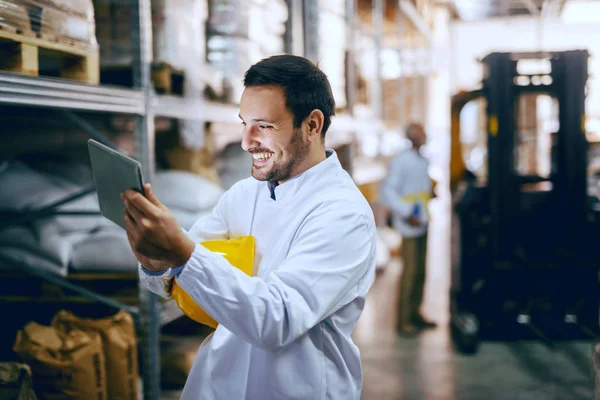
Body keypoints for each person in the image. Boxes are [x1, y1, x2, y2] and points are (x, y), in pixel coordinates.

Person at [121, 55, 377, 399]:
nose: (246, 141)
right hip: (218, 385)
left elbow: (277, 319)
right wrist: (156, 262)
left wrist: (181, 252)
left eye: (265, 126)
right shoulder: (245, 194)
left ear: (313, 125)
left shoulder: (343, 215)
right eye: (244, 123)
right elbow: (178, 275)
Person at [381, 122, 437, 336]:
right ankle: (403, 320)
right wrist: (407, 212)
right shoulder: (401, 161)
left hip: (422, 219)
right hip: (409, 222)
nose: (425, 135)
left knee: (421, 271)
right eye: (421, 132)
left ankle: (415, 312)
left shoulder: (421, 159)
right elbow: (389, 192)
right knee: (410, 272)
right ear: (412, 136)